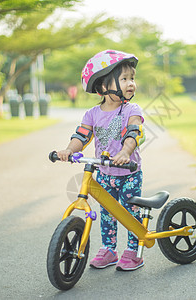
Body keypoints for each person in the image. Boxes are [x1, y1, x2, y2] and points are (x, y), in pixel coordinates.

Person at [57, 50, 146, 271]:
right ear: (103, 86)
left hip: (129, 173)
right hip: (105, 173)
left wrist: (126, 152)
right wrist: (69, 150)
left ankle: (134, 252)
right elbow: (82, 136)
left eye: (132, 78)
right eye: (124, 79)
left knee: (129, 212)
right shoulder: (92, 114)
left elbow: (133, 132)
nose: (131, 83)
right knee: (107, 214)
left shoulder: (131, 109)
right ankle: (109, 249)